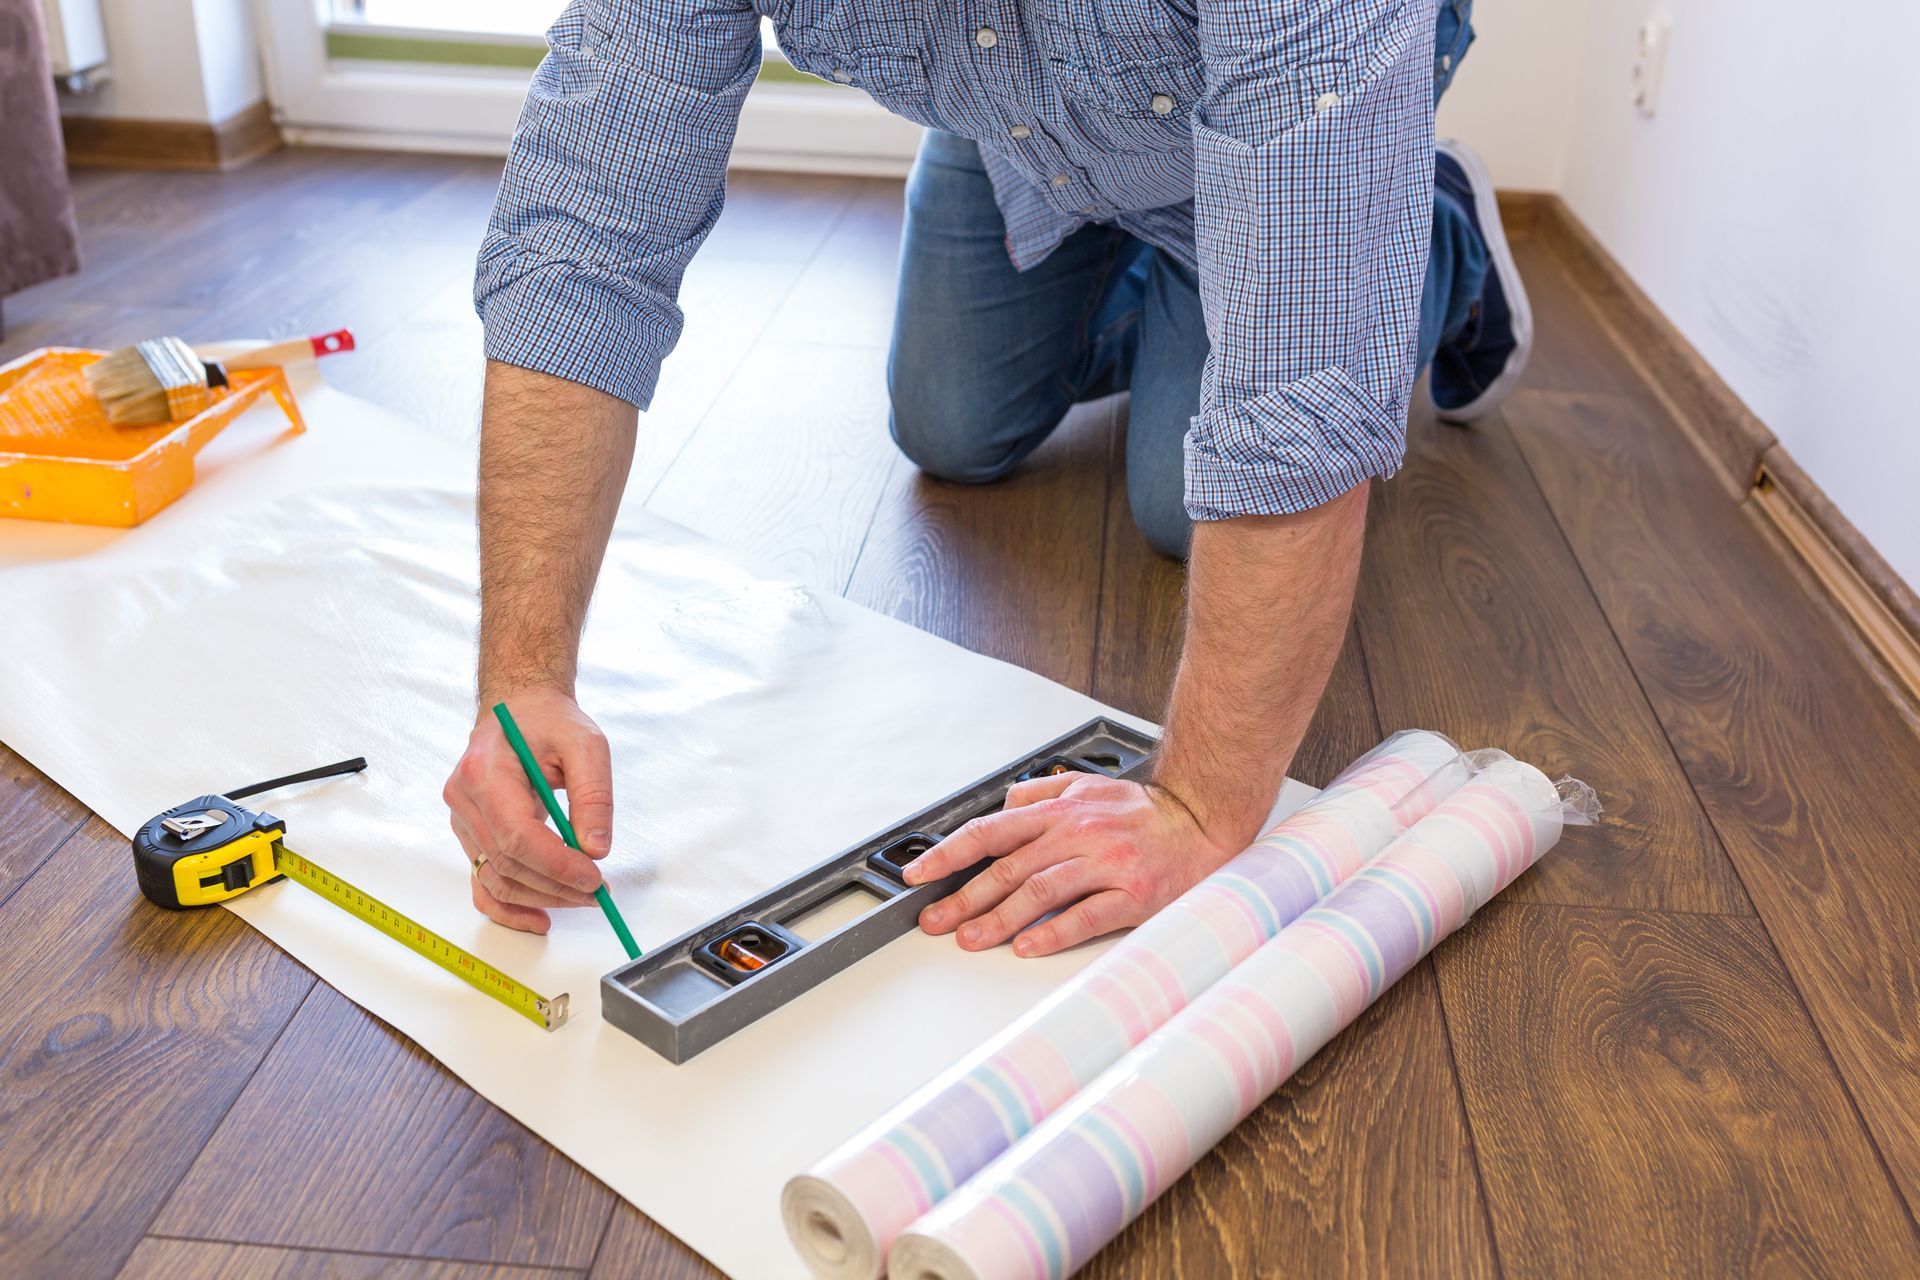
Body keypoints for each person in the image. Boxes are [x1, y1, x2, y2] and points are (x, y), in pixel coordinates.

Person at [443, 0, 1530, 959]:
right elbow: (584, 250)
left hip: (1282, 92)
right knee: (951, 422)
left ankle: (1428, 230)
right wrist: (523, 677)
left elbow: (1301, 386)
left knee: (1173, 494)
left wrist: (1197, 809)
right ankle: (1119, 216)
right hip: (1021, 96)